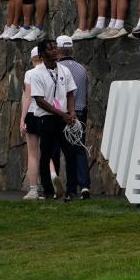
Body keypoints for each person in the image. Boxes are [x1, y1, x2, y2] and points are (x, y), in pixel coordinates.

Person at [30, 39, 79, 201]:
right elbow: (40, 100)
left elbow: (70, 93)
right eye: (50, 49)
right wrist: (62, 114)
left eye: (55, 48)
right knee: (46, 155)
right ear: (41, 54)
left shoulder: (64, 70)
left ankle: (72, 190)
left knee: (70, 152)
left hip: (63, 118)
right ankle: (48, 190)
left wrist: (71, 112)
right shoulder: (37, 73)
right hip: (47, 119)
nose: (54, 51)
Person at [56, 35, 92, 199]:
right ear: (72, 49)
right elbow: (87, 92)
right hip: (80, 112)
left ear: (57, 49)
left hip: (62, 113)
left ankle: (65, 188)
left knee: (60, 150)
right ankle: (84, 186)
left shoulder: (57, 68)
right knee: (79, 149)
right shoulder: (81, 69)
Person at [20, 47, 50, 199]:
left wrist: (22, 118)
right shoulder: (51, 71)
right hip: (48, 114)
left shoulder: (30, 73)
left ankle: (33, 189)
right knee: (48, 152)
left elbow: (28, 96)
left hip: (33, 113)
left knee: (33, 154)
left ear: (33, 59)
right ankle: (53, 178)